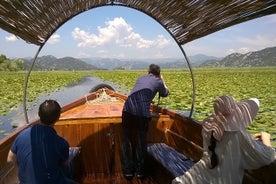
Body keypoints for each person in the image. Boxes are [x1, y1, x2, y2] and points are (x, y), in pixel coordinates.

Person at [172, 95, 275, 184]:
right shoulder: (237, 134)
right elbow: (266, 157)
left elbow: (223, 143)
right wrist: (266, 139)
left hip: (194, 178)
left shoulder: (209, 129)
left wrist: (249, 139)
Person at [7, 100, 78, 184]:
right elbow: (64, 164)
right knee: (70, 166)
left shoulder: (21, 135)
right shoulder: (61, 143)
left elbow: (10, 159)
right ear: (58, 117)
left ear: (39, 114)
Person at [121, 64, 169, 180]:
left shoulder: (141, 78)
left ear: (148, 72)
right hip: (142, 113)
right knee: (141, 142)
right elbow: (165, 93)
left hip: (127, 109)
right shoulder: (158, 81)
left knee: (126, 141)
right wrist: (162, 80)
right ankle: (140, 172)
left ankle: (128, 172)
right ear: (158, 73)